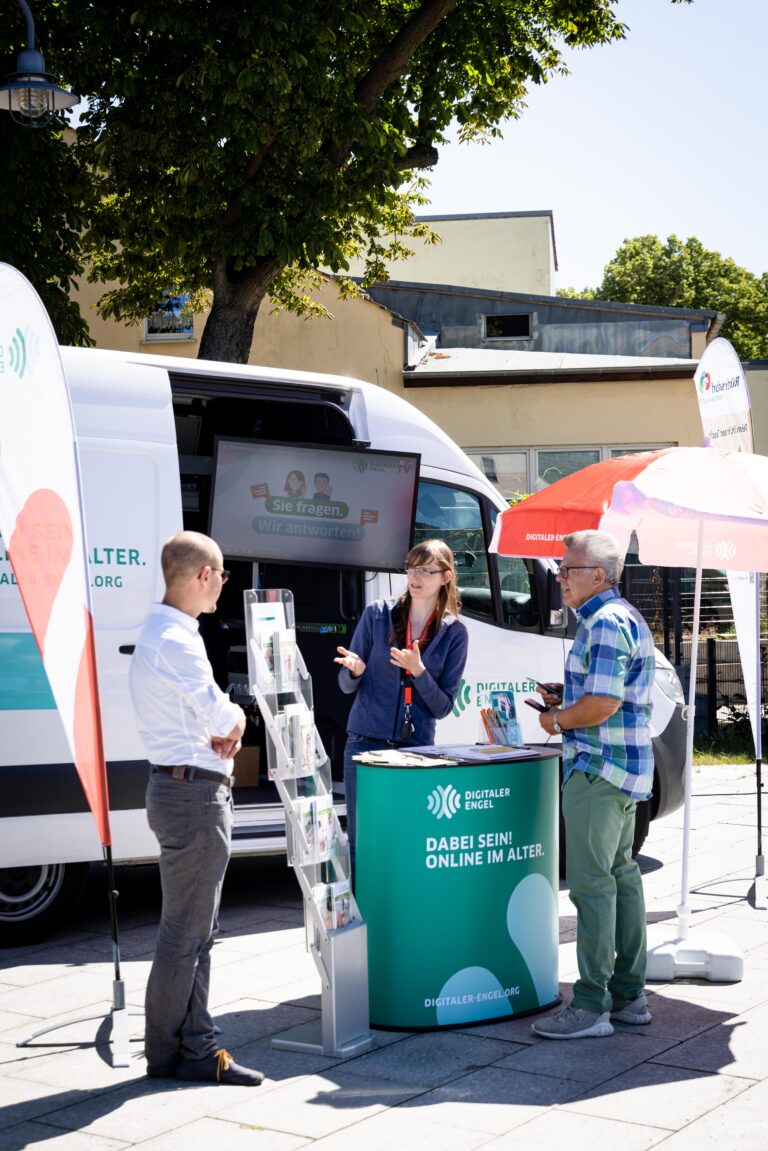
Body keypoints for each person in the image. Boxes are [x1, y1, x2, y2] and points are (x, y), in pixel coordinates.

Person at [129, 530, 263, 1085]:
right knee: (187, 935)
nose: (223, 587)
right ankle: (176, 1053)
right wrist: (234, 722)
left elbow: (215, 723)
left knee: (192, 932)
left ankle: (191, 1047)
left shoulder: (163, 632)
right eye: (223, 576)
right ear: (205, 576)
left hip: (179, 788)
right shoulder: (178, 641)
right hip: (193, 796)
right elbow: (225, 719)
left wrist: (225, 726)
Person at [531, 529, 655, 1040]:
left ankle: (589, 1006)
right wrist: (569, 694)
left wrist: (557, 718)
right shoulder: (622, 617)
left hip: (596, 769)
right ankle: (629, 996)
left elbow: (602, 705)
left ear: (598, 575)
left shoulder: (602, 623)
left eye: (568, 569)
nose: (559, 577)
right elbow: (608, 694)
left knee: (592, 886)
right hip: (624, 769)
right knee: (620, 877)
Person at [335, 539, 468, 875]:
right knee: (361, 840)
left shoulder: (454, 632)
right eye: (411, 567)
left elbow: (442, 707)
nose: (415, 576)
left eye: (426, 570)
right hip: (365, 743)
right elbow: (344, 683)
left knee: (408, 837)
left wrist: (418, 671)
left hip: (416, 748)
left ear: (446, 576)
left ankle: (401, 916)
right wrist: (355, 671)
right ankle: (361, 920)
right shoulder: (377, 614)